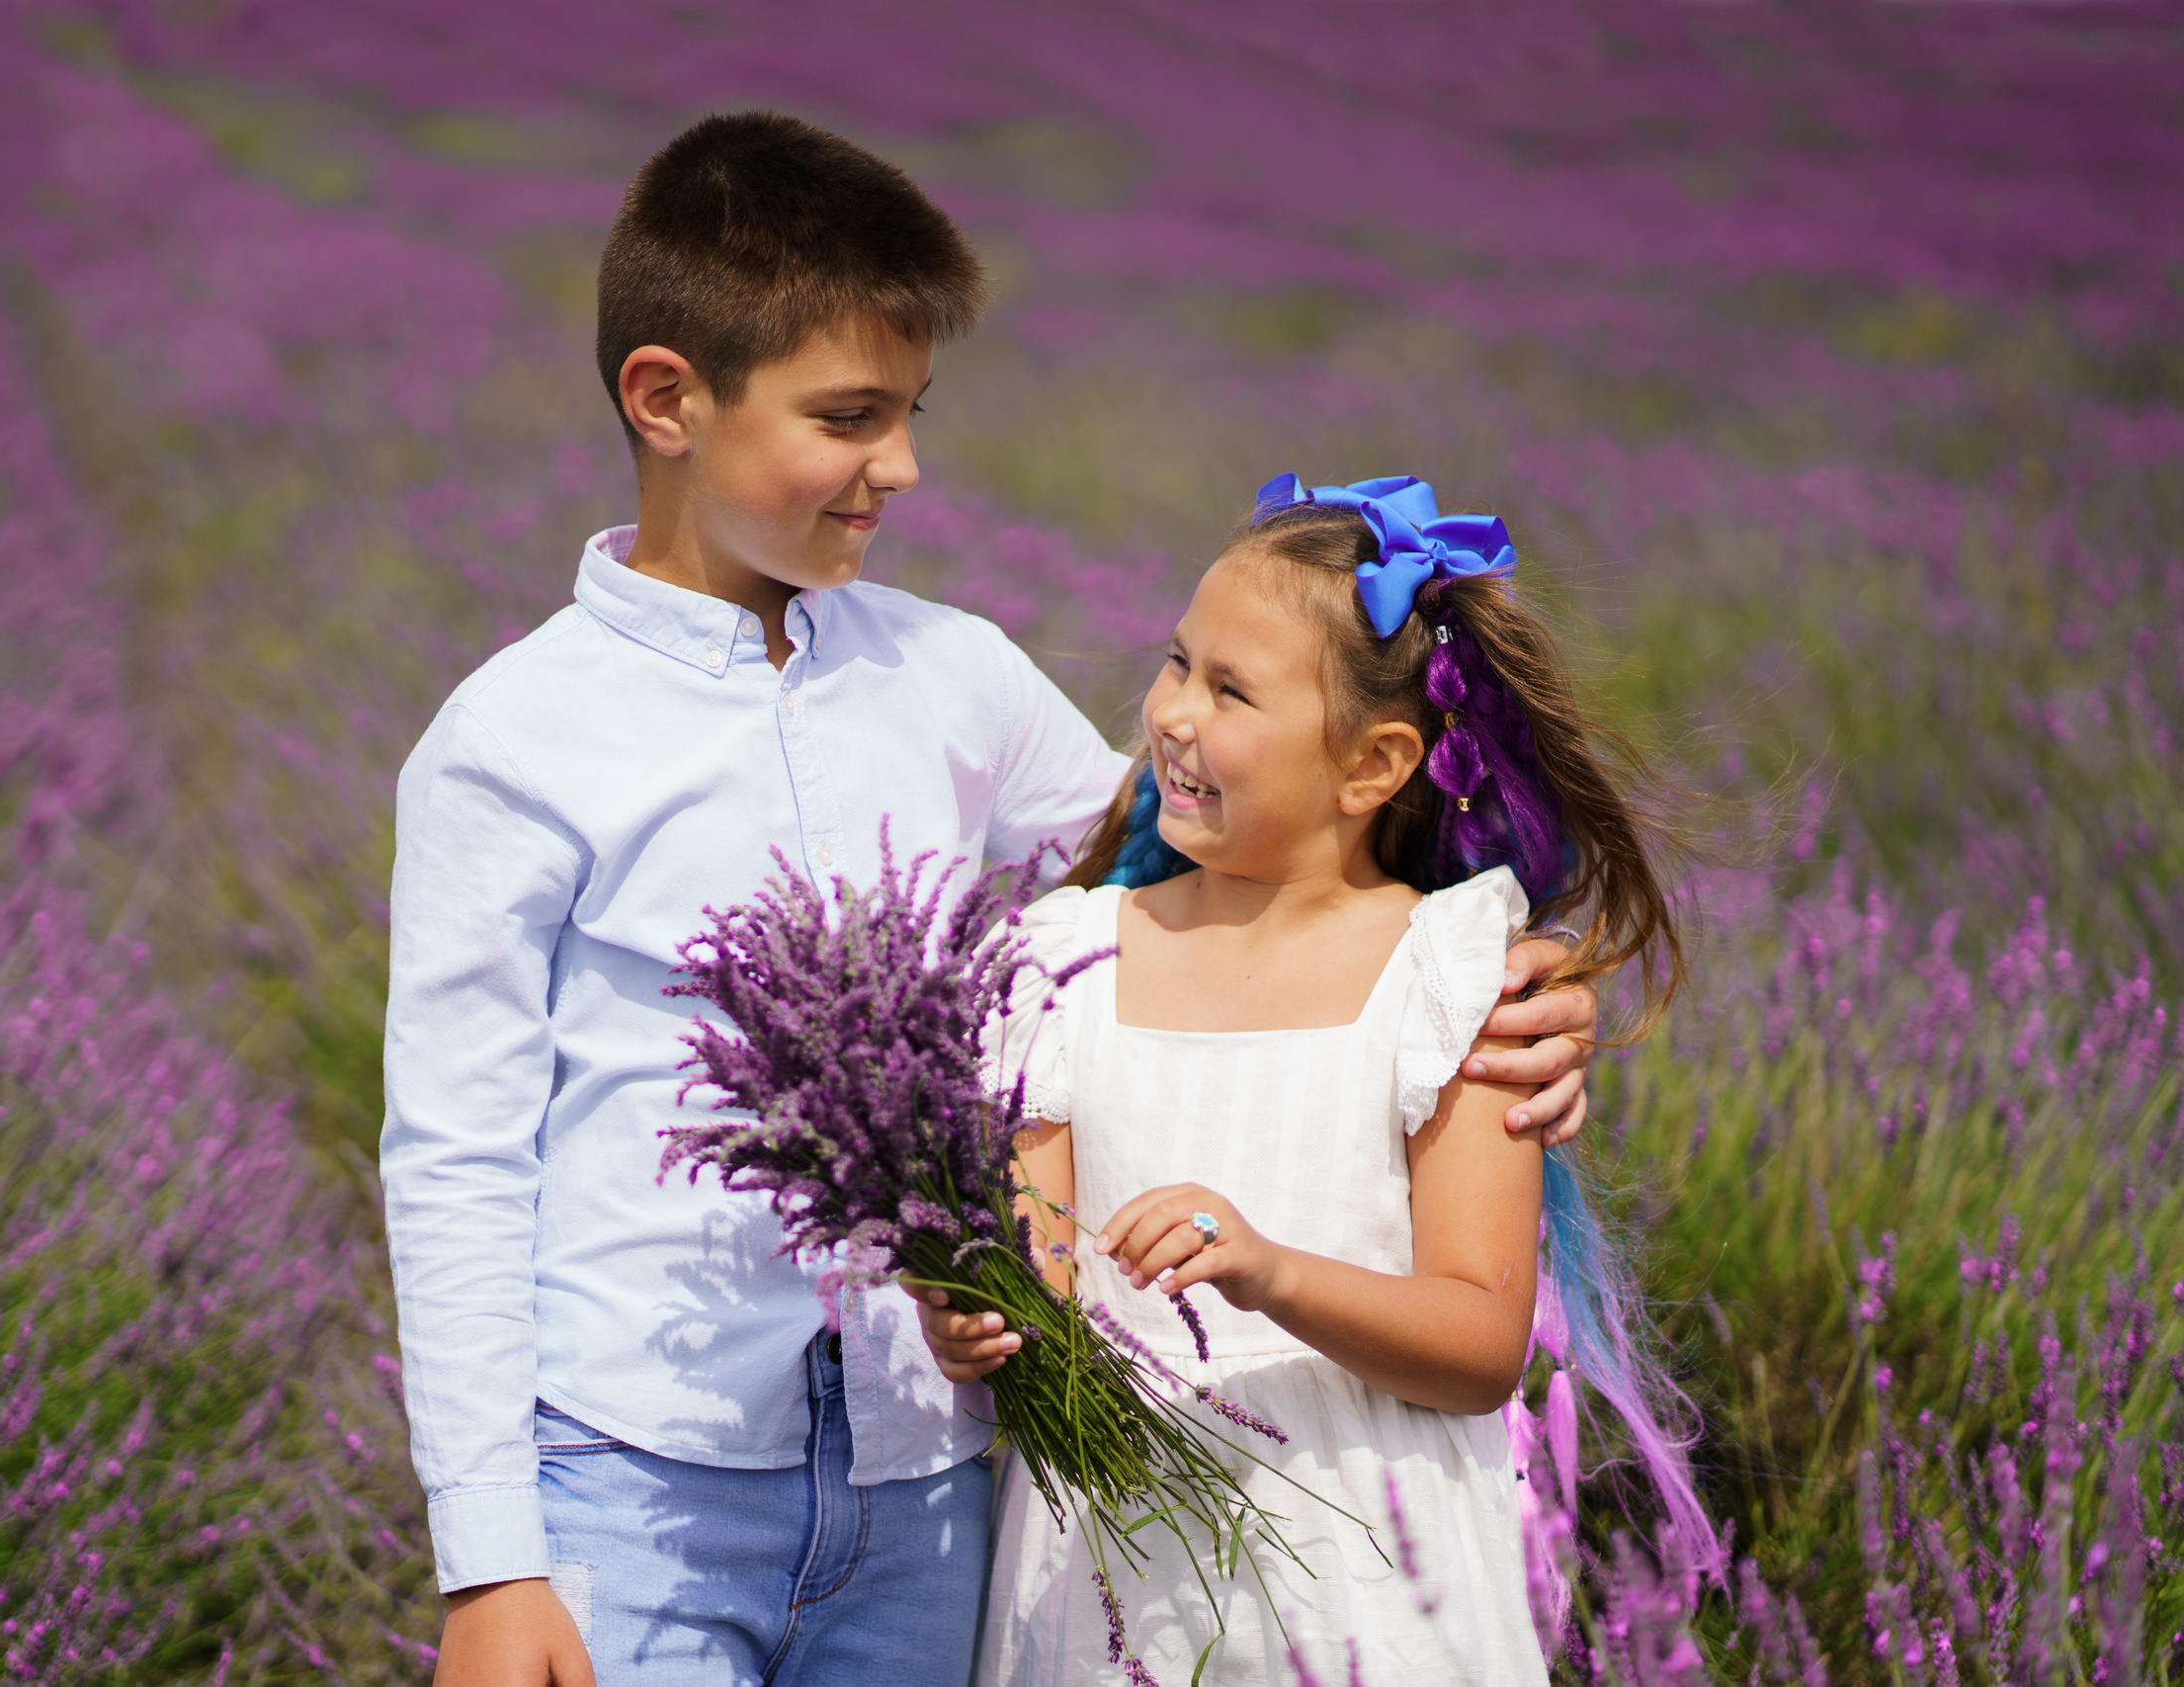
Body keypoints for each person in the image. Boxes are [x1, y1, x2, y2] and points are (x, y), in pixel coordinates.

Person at [382, 113, 1603, 1687]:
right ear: (665, 399)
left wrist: (1510, 984)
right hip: (643, 1474)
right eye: (851, 416)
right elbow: (457, 1160)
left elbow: (1227, 853)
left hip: (931, 1479)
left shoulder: (949, 673)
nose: (902, 464)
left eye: (910, 412)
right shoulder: (510, 744)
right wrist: (492, 1562)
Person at [915, 474, 1713, 1684]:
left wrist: (1267, 1269)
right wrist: (974, 1322)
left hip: (1370, 1589)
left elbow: (1479, 1338)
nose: (1173, 714)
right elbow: (1041, 1279)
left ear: (1373, 763)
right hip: (1109, 1578)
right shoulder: (1061, 959)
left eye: (1231, 690)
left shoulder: (1448, 978)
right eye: (1178, 663)